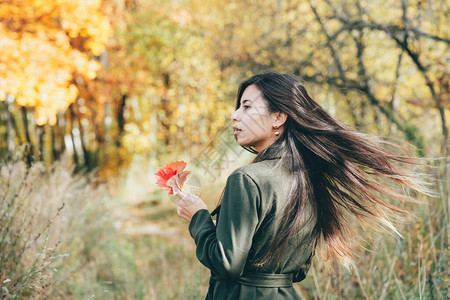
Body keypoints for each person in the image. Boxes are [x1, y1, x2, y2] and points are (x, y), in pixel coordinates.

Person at [175, 72, 424, 300]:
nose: (234, 115)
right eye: (238, 107)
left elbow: (227, 264)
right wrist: (225, 230)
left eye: (247, 107)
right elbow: (299, 269)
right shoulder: (309, 178)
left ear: (278, 117)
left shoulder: (246, 179)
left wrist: (199, 218)